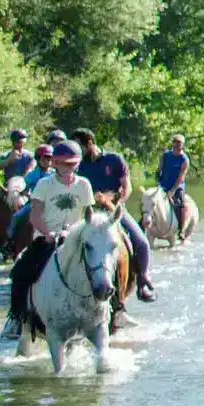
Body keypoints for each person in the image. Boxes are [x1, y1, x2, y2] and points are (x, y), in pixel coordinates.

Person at [3, 141, 97, 338]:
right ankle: (16, 317)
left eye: (72, 164)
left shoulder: (84, 184)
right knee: (20, 272)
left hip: (74, 238)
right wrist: (47, 233)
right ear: (54, 163)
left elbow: (88, 214)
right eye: (64, 164)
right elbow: (34, 215)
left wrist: (79, 230)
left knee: (100, 270)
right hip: (46, 239)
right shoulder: (44, 184)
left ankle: (111, 314)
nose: (68, 168)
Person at [71, 128, 156, 302]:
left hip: (113, 211)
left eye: (79, 146)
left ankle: (143, 282)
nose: (77, 151)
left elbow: (127, 188)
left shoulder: (114, 159)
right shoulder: (77, 165)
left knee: (142, 243)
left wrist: (115, 201)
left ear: (90, 143)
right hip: (89, 213)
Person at [0, 129, 35, 240]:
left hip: (25, 184)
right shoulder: (5, 155)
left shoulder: (30, 155)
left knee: (38, 199)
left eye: (21, 142)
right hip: (8, 184)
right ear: (13, 142)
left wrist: (27, 174)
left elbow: (32, 167)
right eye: (17, 142)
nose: (20, 144)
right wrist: (9, 160)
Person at [156, 134, 191, 240]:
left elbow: (181, 177)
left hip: (177, 186)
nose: (176, 144)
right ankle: (143, 226)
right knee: (149, 201)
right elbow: (158, 170)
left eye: (179, 142)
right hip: (163, 185)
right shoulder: (165, 155)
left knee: (181, 203)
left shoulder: (184, 159)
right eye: (175, 142)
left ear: (182, 144)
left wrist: (173, 191)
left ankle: (182, 230)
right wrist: (157, 182)